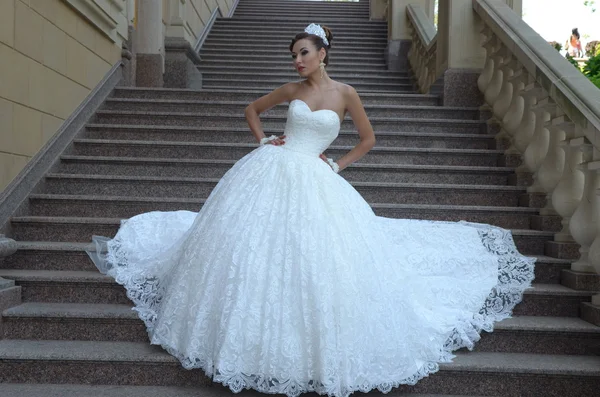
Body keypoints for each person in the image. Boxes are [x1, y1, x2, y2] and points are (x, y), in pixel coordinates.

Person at [88, 23, 535, 397]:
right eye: (294, 55)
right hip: (273, 168)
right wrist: (265, 140)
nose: (297, 61)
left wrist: (337, 165)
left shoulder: (345, 94)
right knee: (250, 246)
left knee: (321, 257)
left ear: (323, 53)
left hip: (317, 177)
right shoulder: (291, 89)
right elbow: (252, 110)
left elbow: (367, 140)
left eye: (304, 53)